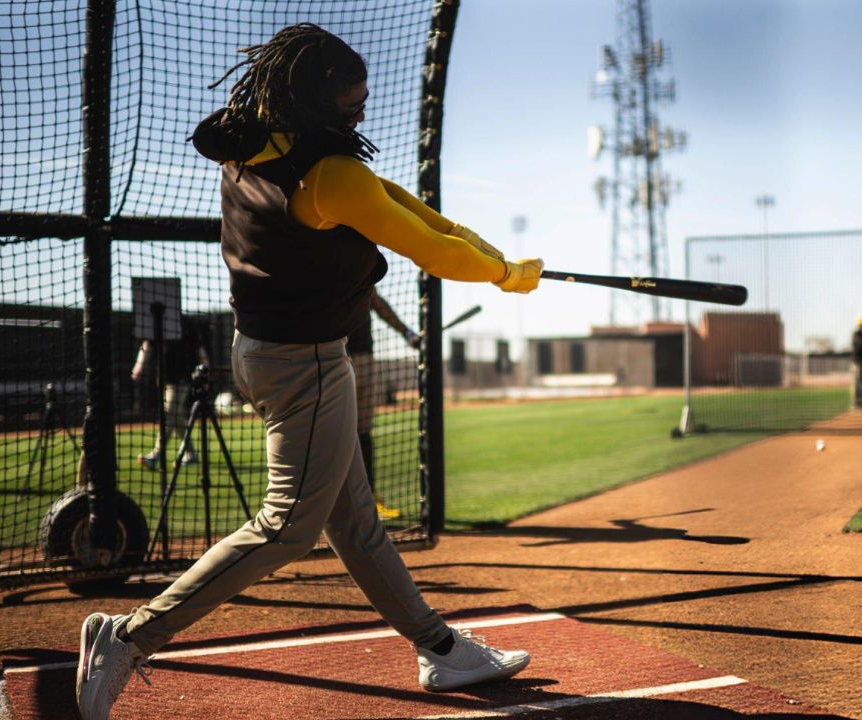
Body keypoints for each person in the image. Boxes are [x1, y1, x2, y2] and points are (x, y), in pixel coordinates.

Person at [76, 24, 542, 720]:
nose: (359, 114)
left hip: (263, 352)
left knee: (356, 524)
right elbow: (427, 249)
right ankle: (131, 636)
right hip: (309, 367)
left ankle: (442, 650)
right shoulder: (331, 177)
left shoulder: (251, 141)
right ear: (314, 102)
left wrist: (487, 250)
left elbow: (417, 213)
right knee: (286, 528)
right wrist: (504, 276)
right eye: (350, 104)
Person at [351, 290, 419, 520]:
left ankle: (368, 500)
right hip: (331, 356)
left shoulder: (362, 262)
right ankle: (330, 506)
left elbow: (377, 303)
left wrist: (407, 333)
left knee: (362, 430)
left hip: (363, 357)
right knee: (332, 431)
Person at [131, 315, 211, 469]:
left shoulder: (186, 323)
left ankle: (155, 456)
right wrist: (138, 366)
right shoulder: (157, 321)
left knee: (169, 415)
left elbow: (200, 350)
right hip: (164, 380)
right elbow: (146, 345)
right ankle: (191, 454)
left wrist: (207, 373)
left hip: (181, 379)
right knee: (177, 419)